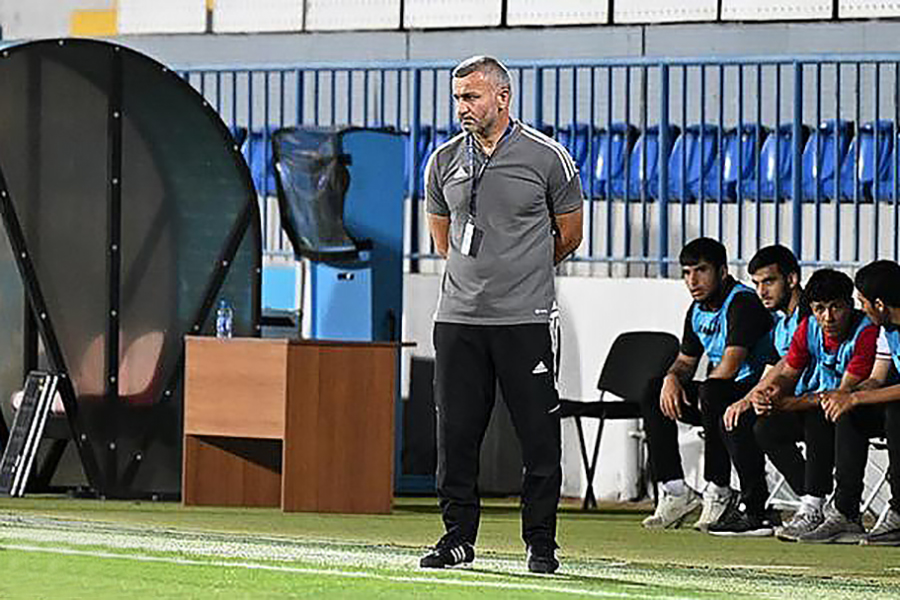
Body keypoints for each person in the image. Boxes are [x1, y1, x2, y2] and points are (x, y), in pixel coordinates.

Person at [420, 55, 583, 573]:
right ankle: (457, 538)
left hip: (525, 320)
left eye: (471, 96)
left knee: (538, 436)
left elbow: (570, 234)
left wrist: (520, 274)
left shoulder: (548, 158)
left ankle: (540, 542)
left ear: (503, 97)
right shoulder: (443, 160)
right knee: (456, 436)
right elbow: (443, 239)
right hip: (458, 320)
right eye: (457, 98)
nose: (462, 107)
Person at [640, 237, 775, 535]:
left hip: (755, 393)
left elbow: (731, 366)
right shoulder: (697, 310)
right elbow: (685, 361)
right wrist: (671, 379)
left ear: (722, 271)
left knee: (711, 392)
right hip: (719, 395)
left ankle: (719, 489)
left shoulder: (743, 303)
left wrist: (699, 392)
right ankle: (676, 491)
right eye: (686, 273)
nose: (692, 281)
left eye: (701, 271)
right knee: (653, 390)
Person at [741, 269, 876, 541]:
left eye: (836, 307)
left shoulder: (866, 332)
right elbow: (789, 374)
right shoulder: (807, 328)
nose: (828, 317)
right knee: (765, 427)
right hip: (816, 406)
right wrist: (772, 394)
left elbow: (842, 392)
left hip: (854, 412)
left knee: (817, 415)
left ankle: (816, 506)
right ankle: (811, 499)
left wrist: (789, 402)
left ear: (850, 305)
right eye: (819, 309)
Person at [805, 260, 900, 544]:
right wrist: (847, 396)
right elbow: (877, 378)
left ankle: (899, 512)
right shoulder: (887, 329)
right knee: (851, 411)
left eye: (863, 302)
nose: (862, 309)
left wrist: (856, 396)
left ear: (879, 304)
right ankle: (845, 513)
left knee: (896, 413)